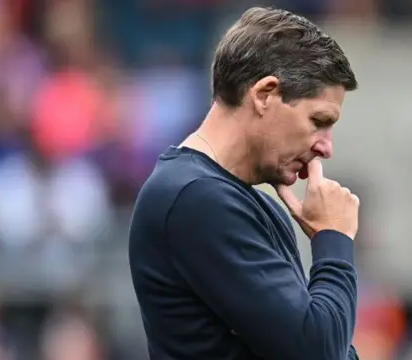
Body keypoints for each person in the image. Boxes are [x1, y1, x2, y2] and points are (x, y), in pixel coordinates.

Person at [128, 6, 360, 360]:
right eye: (318, 120)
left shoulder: (254, 203)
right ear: (265, 94)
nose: (325, 148)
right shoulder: (194, 198)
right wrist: (334, 242)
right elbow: (318, 350)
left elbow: (327, 345)